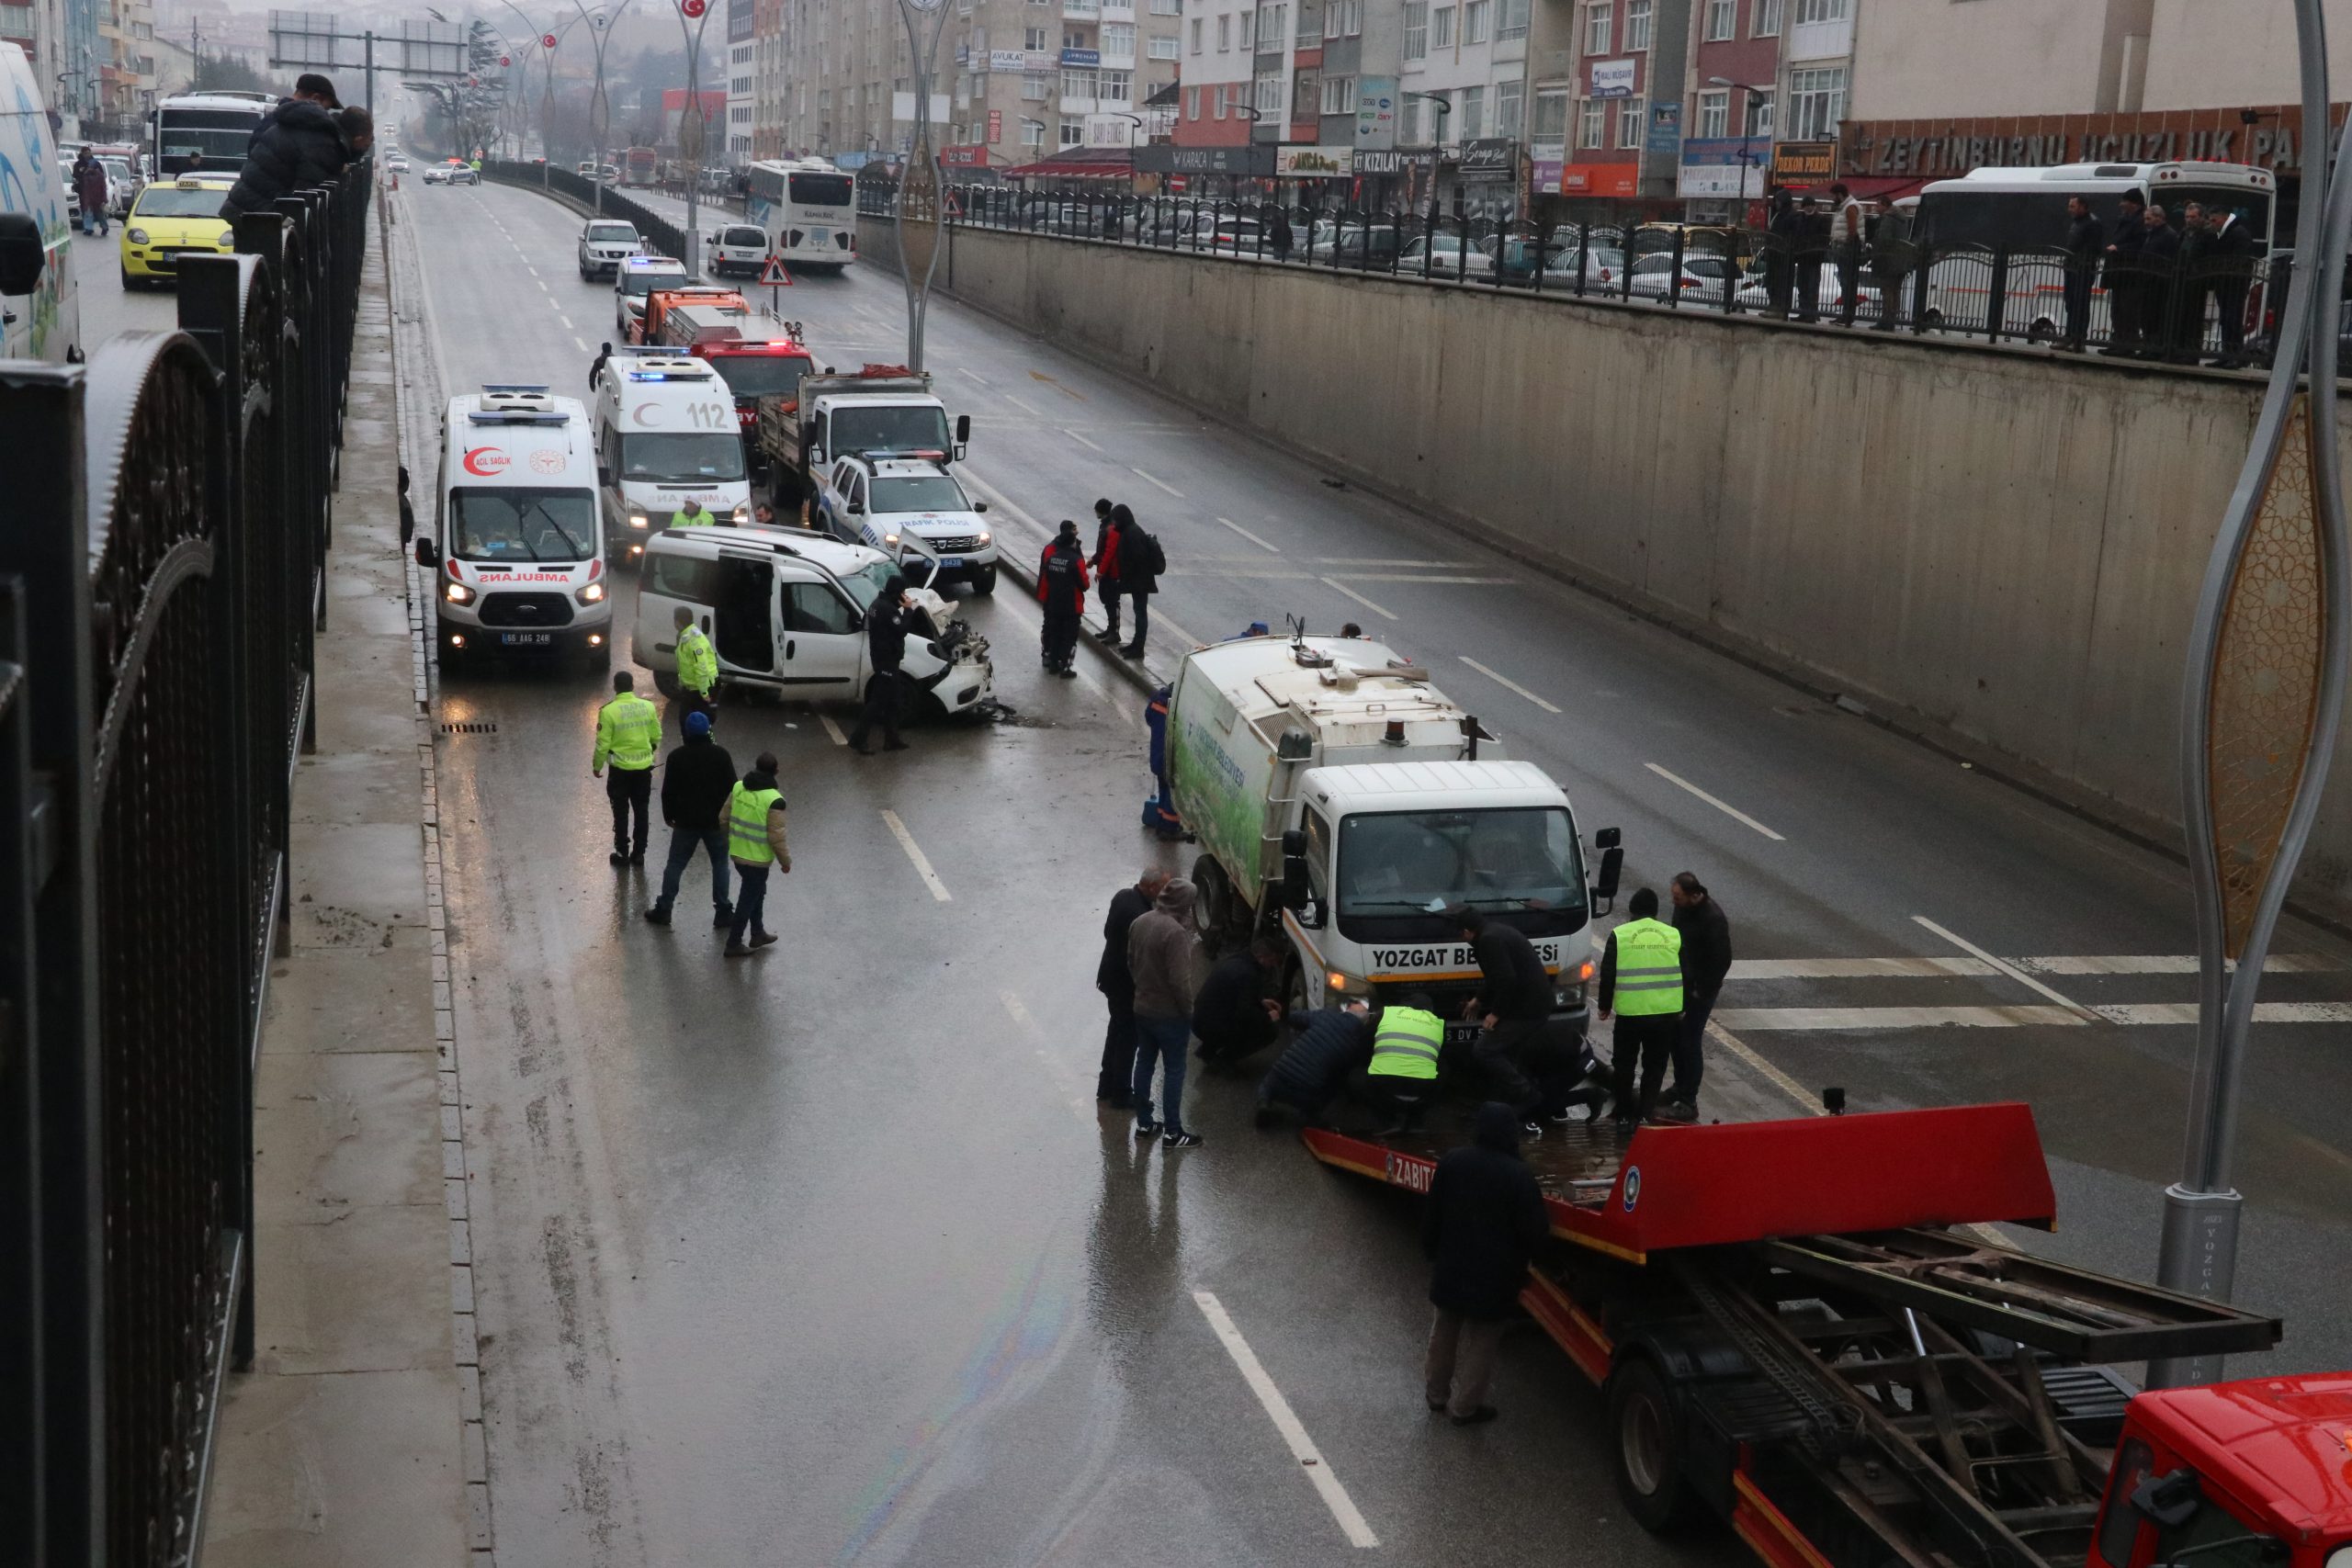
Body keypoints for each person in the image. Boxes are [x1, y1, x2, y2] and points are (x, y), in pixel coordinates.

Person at [1422, 1102, 1548, 1427]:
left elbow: (1433, 1212)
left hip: (1452, 1264)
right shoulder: (1519, 1175)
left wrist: (1430, 1250)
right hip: (1496, 1275)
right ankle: (1465, 1408)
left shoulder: (1453, 1161)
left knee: (1444, 1330)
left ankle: (1436, 1395)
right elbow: (1534, 1231)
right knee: (1483, 1341)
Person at [1447, 904, 1553, 1122]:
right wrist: (1478, 999)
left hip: (1528, 1009)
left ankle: (1527, 1095)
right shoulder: (1495, 932)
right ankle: (1504, 1105)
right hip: (1533, 1004)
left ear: (1467, 932)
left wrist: (1495, 1013)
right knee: (1508, 1053)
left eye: (1462, 935)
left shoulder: (1488, 940)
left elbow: (1506, 979)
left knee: (1485, 1050)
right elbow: (1496, 976)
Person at [1598, 888, 1684, 1126]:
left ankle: (1623, 1112)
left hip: (1630, 1014)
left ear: (1631, 910)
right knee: (1655, 1066)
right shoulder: (1673, 934)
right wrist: (1682, 1006)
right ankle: (1646, 1114)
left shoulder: (1620, 934)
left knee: (1624, 1065)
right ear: (1655, 912)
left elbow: (1608, 973)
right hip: (1665, 1013)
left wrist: (1604, 1005)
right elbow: (1685, 971)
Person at [644, 709, 737, 928]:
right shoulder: (721, 755)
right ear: (708, 730)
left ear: (686, 731)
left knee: (675, 864)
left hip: (685, 821)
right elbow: (733, 788)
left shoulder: (676, 757)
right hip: (716, 822)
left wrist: (669, 815)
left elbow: (668, 791)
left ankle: (664, 908)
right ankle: (723, 911)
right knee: (720, 864)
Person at [1128, 877, 1203, 1145]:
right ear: (1183, 903)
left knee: (1144, 1063)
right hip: (1169, 1015)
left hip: (1142, 1008)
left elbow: (1131, 961)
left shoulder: (1141, 921)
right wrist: (1188, 1011)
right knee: (1174, 1070)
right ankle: (1173, 1131)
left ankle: (1145, 1124)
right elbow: (1180, 981)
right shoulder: (1175, 933)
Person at [218, 75, 352, 224]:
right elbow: (304, 183)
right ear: (315, 99)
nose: (325, 114)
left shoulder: (278, 119)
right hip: (262, 212)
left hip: (247, 207)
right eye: (325, 108)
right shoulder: (298, 125)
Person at [1097, 869, 1172, 1107]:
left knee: (1116, 1030)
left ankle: (1106, 1084)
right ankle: (1120, 1092)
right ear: (1150, 887)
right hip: (1125, 984)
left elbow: (1108, 932)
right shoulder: (1141, 916)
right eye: (1163, 888)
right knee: (1128, 1038)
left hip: (1110, 977)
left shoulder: (1122, 897)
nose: (1165, 893)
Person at [1664, 873, 1731, 1120]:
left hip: (1700, 990)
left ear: (1694, 895)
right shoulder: (1683, 910)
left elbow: (1722, 959)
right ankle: (1679, 1087)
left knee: (1690, 1040)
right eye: (1673, 896)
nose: (1674, 902)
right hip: (1681, 983)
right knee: (1675, 1037)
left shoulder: (1712, 919)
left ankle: (1689, 1098)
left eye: (1678, 897)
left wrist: (1701, 990)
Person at [1255, 1001, 1373, 1126]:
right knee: (1337, 1079)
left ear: (1347, 1011)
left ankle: (1264, 1102)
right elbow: (1343, 1075)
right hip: (1306, 1091)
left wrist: (1280, 1014)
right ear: (1364, 1023)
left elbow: (1294, 1017)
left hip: (1279, 1077)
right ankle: (1309, 1114)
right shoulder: (1358, 1042)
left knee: (1266, 1085)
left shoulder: (1326, 1016)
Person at [591, 671, 661, 865]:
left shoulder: (608, 711)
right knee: (642, 810)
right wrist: (649, 751)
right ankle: (639, 853)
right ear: (632, 686)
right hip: (643, 770)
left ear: (615, 687)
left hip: (620, 771)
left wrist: (597, 766)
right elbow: (656, 735)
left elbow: (602, 744)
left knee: (620, 812)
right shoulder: (648, 707)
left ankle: (622, 852)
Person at [722, 751, 789, 956]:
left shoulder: (738, 787)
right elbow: (776, 837)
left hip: (738, 853)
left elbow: (723, 819)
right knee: (748, 899)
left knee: (757, 892)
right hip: (758, 859)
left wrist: (731, 840)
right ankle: (733, 943)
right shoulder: (774, 800)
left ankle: (757, 932)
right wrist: (785, 861)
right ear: (776, 771)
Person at [1360, 992, 1443, 1134]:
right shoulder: (1438, 1023)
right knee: (1442, 1067)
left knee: (1356, 1075)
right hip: (1421, 1091)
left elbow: (1363, 1040)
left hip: (1383, 1088)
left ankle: (1388, 1121)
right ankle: (1416, 1121)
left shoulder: (1386, 1013)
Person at [847, 574, 912, 752]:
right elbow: (901, 630)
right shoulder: (887, 609)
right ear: (897, 592)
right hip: (886, 661)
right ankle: (858, 739)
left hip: (884, 658)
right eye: (903, 592)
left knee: (894, 702)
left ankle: (891, 739)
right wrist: (908, 610)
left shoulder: (878, 604)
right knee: (878, 702)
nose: (905, 596)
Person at [1194, 937, 1283, 1067]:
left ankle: (1208, 1050)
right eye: (1271, 961)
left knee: (1226, 1016)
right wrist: (1268, 1017)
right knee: (1269, 1032)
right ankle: (1223, 1060)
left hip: (1199, 1020)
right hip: (1212, 1026)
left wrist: (1261, 1001)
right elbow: (1244, 1013)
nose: (1272, 966)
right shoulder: (1250, 974)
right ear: (1261, 957)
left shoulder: (1237, 960)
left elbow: (1234, 996)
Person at [1037, 520, 1091, 678]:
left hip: (1054, 601)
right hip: (1071, 604)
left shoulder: (1052, 556)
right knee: (1069, 636)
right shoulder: (1076, 560)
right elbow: (1084, 585)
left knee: (1054, 632)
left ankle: (1053, 663)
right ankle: (1065, 667)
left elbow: (1047, 576)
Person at [1102, 503, 1156, 658]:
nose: (1114, 523)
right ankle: (1135, 644)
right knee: (1138, 612)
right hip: (1138, 580)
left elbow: (1136, 559)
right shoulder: (1129, 530)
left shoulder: (1132, 533)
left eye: (1116, 520)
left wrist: (1125, 578)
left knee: (1140, 614)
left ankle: (1138, 648)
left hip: (1140, 582)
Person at [2100, 191, 2149, 356]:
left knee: (2128, 311)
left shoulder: (2140, 220)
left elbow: (2140, 244)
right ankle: (2118, 342)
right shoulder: (2126, 219)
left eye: (2124, 201)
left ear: (2134, 204)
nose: (2121, 205)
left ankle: (2127, 344)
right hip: (2120, 273)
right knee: (2117, 311)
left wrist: (2119, 248)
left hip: (2130, 273)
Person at [2204, 205, 2252, 369]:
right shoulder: (2223, 234)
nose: (2212, 223)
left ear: (2224, 218)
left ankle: (2235, 355)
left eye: (2214, 220)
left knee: (2233, 319)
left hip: (2235, 284)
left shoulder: (2238, 233)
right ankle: (2227, 354)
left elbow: (2238, 260)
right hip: (2224, 284)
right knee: (2226, 319)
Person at [2168, 203, 2210, 365]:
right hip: (2181, 279)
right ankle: (2177, 350)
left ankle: (2191, 352)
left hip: (2196, 282)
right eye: (2187, 217)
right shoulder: (2185, 233)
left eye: (2193, 217)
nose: (2189, 220)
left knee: (2193, 318)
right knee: (2180, 316)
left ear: (2201, 217)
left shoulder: (2206, 234)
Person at [2059, 196, 2100, 352]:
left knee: (2080, 304)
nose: (2069, 209)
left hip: (2082, 269)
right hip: (2071, 268)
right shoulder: (2077, 222)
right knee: (2070, 303)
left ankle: (2079, 339)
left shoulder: (2093, 223)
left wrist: (2083, 262)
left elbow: (2093, 248)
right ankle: (2069, 336)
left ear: (2082, 207)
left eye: (2072, 206)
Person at [2139, 204, 2182, 355]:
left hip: (2159, 283)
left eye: (2148, 218)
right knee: (2147, 317)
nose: (2146, 222)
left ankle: (2154, 348)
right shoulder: (2153, 233)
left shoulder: (2168, 235)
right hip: (2149, 281)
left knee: (2156, 318)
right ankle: (2147, 346)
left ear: (2159, 218)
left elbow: (2168, 259)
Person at [1867, 199, 1909, 332]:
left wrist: (1876, 252)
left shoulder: (1888, 219)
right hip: (1901, 259)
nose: (1876, 208)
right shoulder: (1902, 218)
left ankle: (1886, 320)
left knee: (1887, 290)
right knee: (1896, 290)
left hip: (1888, 260)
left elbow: (1884, 240)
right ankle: (1892, 319)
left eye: (1878, 205)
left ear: (1885, 206)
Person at [672, 604, 718, 726]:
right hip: (691, 688)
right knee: (686, 721)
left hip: (699, 689)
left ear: (677, 621)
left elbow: (701, 668)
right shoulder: (685, 636)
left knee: (701, 723)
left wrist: (704, 693)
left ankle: (703, 742)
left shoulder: (694, 641)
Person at [1828, 182, 1866, 327]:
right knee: (1846, 283)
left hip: (1848, 249)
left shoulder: (1850, 207)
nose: (1832, 199)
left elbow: (1852, 229)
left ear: (1839, 195)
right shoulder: (1844, 206)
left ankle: (1847, 314)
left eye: (1833, 196)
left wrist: (1846, 243)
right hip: (1846, 248)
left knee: (1847, 283)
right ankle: (1846, 314)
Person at [1089, 498, 1124, 644]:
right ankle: (1111, 628)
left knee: (1112, 601)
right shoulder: (1105, 525)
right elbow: (1102, 549)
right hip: (1106, 570)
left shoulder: (1111, 527)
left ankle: (1115, 632)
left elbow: (1109, 552)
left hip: (1112, 572)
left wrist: (1100, 571)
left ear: (1100, 511)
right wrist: (1094, 560)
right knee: (1107, 600)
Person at [1763, 189, 1798, 320]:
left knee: (1780, 282)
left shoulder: (1791, 216)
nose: (1776, 204)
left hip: (1782, 255)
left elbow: (1789, 234)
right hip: (1773, 253)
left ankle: (1780, 308)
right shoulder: (1777, 214)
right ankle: (1773, 305)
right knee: (1771, 281)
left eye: (1778, 201)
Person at [1795, 198, 1828, 321]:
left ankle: (1811, 314)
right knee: (1802, 286)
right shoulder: (1800, 219)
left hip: (1814, 259)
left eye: (1811, 205)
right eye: (1807, 206)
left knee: (1812, 287)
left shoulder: (1821, 219)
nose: (1809, 208)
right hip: (1802, 258)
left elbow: (1824, 239)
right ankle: (1803, 312)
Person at [74, 152, 109, 237]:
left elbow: (103, 188)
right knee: (89, 213)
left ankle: (104, 227)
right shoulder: (86, 175)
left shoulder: (99, 176)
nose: (90, 168)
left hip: (97, 198)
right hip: (89, 197)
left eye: (91, 167)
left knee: (99, 214)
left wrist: (104, 198)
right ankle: (89, 229)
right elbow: (83, 187)